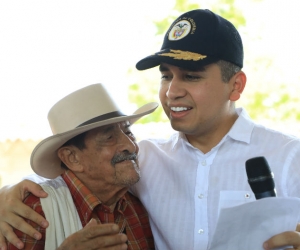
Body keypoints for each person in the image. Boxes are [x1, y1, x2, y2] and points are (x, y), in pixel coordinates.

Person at [1, 9, 300, 250]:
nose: (172, 92)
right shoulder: (145, 159)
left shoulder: (289, 157)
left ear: (235, 86)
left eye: (191, 77)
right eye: (166, 76)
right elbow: (73, 176)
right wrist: (8, 195)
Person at [3, 83, 157, 250]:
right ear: (72, 158)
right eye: (109, 137)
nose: (131, 146)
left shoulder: (136, 205)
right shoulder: (34, 211)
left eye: (128, 132)